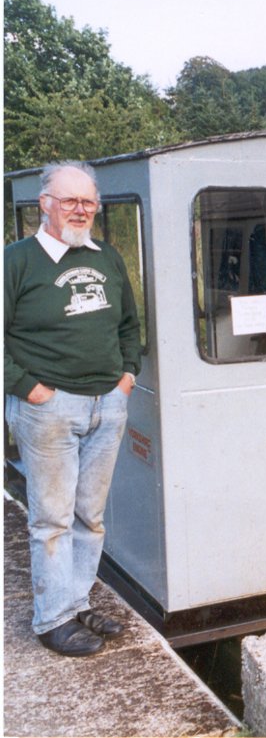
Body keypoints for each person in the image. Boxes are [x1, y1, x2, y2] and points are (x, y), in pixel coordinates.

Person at [5, 161, 141, 657]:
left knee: (90, 515)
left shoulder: (107, 257)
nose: (80, 210)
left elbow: (129, 322)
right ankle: (52, 619)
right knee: (52, 520)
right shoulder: (16, 260)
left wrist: (128, 376)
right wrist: (27, 387)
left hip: (108, 403)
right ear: (45, 204)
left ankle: (76, 601)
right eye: (69, 200)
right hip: (48, 408)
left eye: (88, 201)